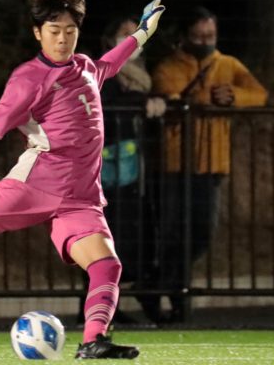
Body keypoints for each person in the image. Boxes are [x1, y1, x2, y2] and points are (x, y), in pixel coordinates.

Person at [0, 0, 165, 359]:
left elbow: (109, 63)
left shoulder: (85, 67)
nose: (62, 38)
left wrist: (142, 34)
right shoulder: (28, 78)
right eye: (54, 30)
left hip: (79, 197)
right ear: (37, 32)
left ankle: (93, 341)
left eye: (70, 30)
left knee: (107, 265)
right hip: (34, 185)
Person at [151, 6, 267, 322]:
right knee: (174, 231)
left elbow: (258, 94)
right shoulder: (169, 67)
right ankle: (176, 295)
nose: (205, 41)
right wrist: (201, 101)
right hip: (175, 162)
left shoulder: (228, 64)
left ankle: (159, 282)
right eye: (199, 36)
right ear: (184, 37)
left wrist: (234, 97)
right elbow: (169, 96)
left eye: (210, 35)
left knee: (201, 232)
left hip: (212, 161)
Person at [75, 16, 167, 325]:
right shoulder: (102, 70)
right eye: (125, 33)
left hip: (128, 167)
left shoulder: (141, 75)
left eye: (136, 33)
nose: (133, 39)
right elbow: (105, 100)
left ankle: (108, 305)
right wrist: (143, 102)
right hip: (102, 169)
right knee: (102, 238)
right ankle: (93, 307)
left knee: (130, 237)